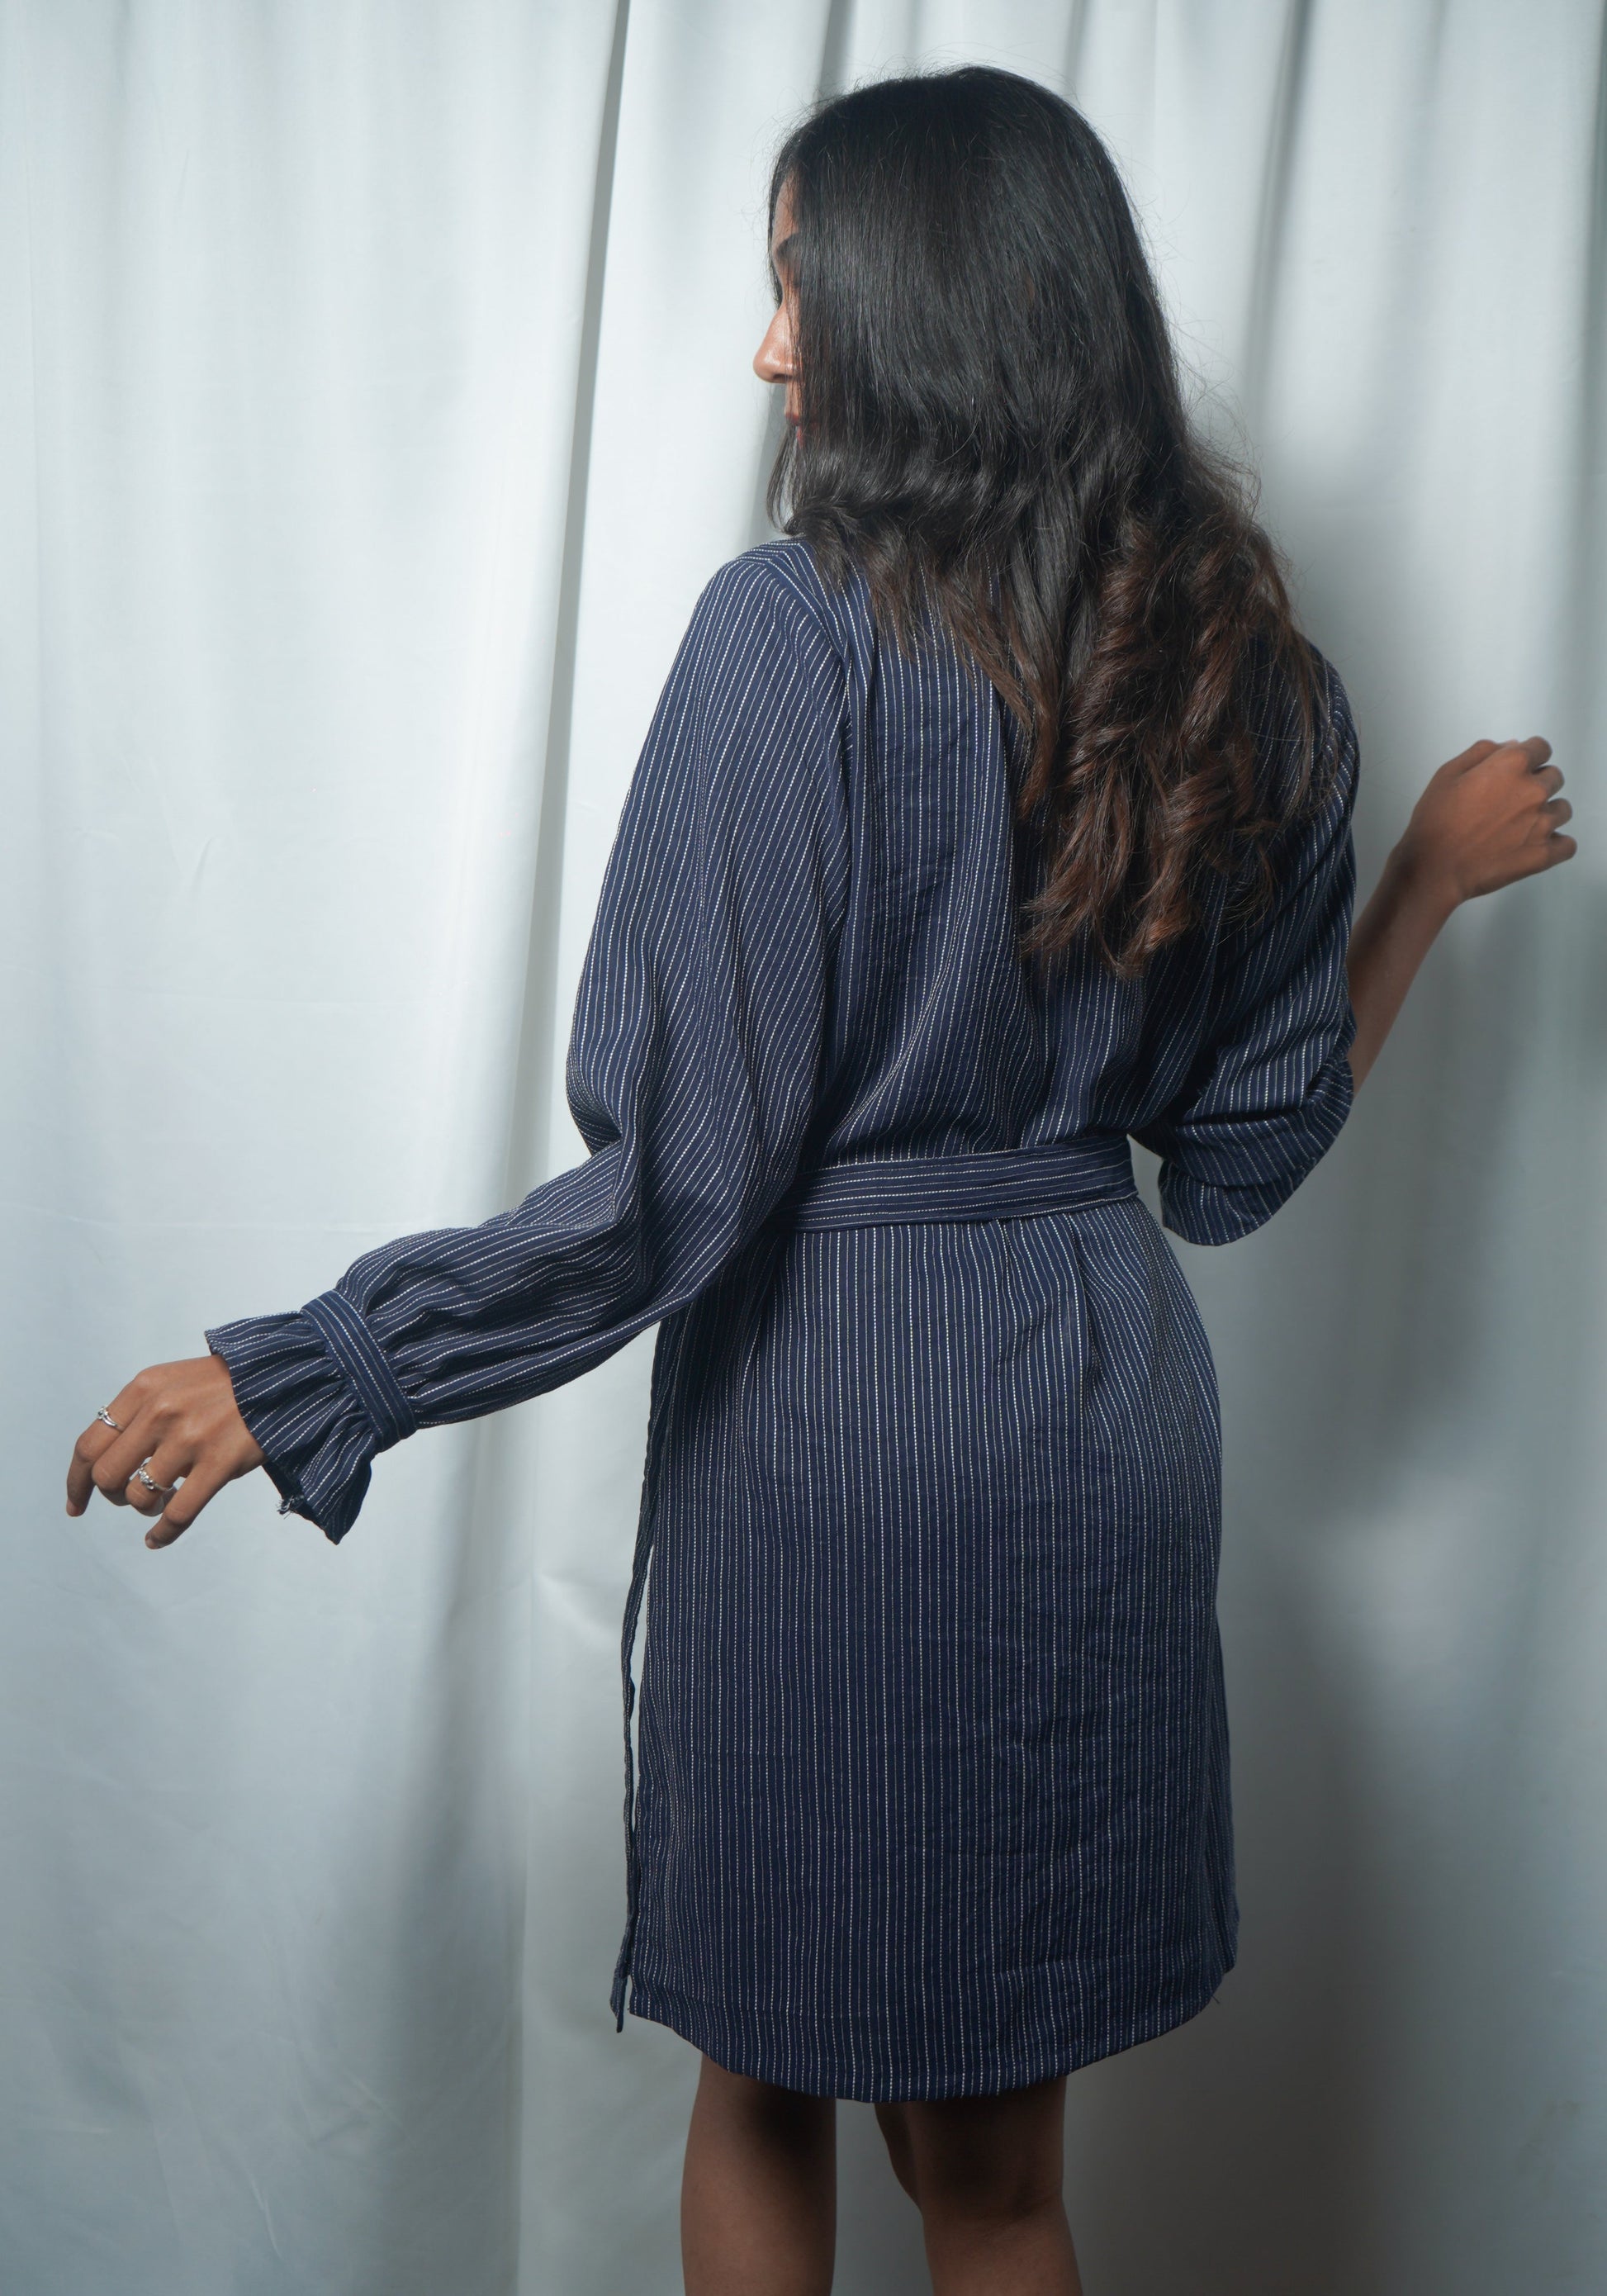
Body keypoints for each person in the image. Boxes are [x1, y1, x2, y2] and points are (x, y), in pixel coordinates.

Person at [65, 66, 1572, 2296]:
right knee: (998, 2174)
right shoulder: (1242, 681)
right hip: (1093, 1412)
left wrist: (317, 1369)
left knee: (762, 2072)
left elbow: (677, 1182)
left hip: (842, 1426)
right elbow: (1233, 1166)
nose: (769, 350)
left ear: (936, 312)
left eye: (799, 289)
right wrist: (1418, 889)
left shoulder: (787, 641)